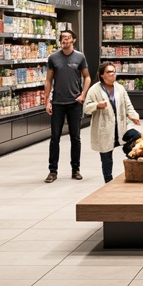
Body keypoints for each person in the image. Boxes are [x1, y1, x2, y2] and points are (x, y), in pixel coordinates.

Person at [44, 29, 91, 182]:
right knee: (54, 138)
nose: (65, 40)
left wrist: (83, 94)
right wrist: (47, 101)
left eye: (68, 37)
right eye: (62, 37)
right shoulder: (53, 58)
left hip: (74, 103)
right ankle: (53, 171)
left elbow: (87, 77)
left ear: (73, 40)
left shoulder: (80, 57)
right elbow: (48, 80)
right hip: (57, 103)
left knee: (75, 138)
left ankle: (75, 169)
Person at [87, 62, 141, 182]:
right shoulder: (94, 90)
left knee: (137, 136)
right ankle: (108, 182)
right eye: (109, 72)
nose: (112, 74)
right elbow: (86, 108)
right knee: (106, 159)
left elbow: (128, 105)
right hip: (104, 129)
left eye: (113, 71)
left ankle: (129, 155)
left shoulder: (120, 88)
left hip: (121, 127)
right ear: (102, 75)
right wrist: (97, 105)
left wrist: (133, 116)